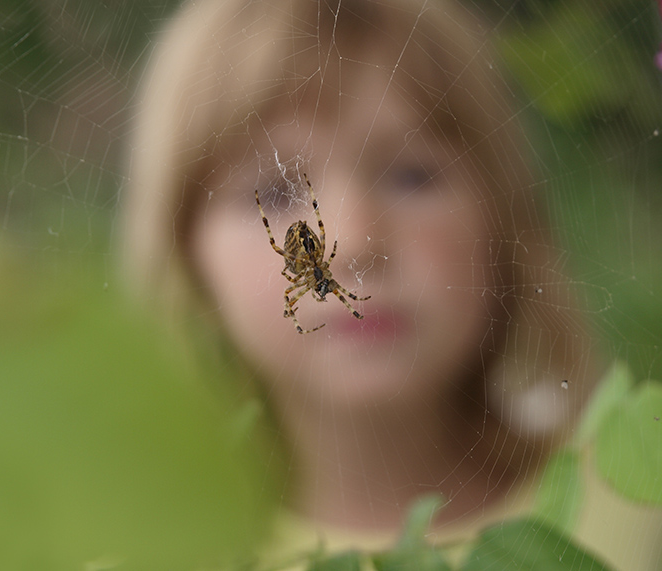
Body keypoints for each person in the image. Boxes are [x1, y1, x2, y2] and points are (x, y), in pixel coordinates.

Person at [121, 0, 657, 567]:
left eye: (411, 176)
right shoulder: (166, 548)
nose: (354, 242)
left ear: (503, 222)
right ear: (185, 257)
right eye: (277, 192)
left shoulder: (641, 510)